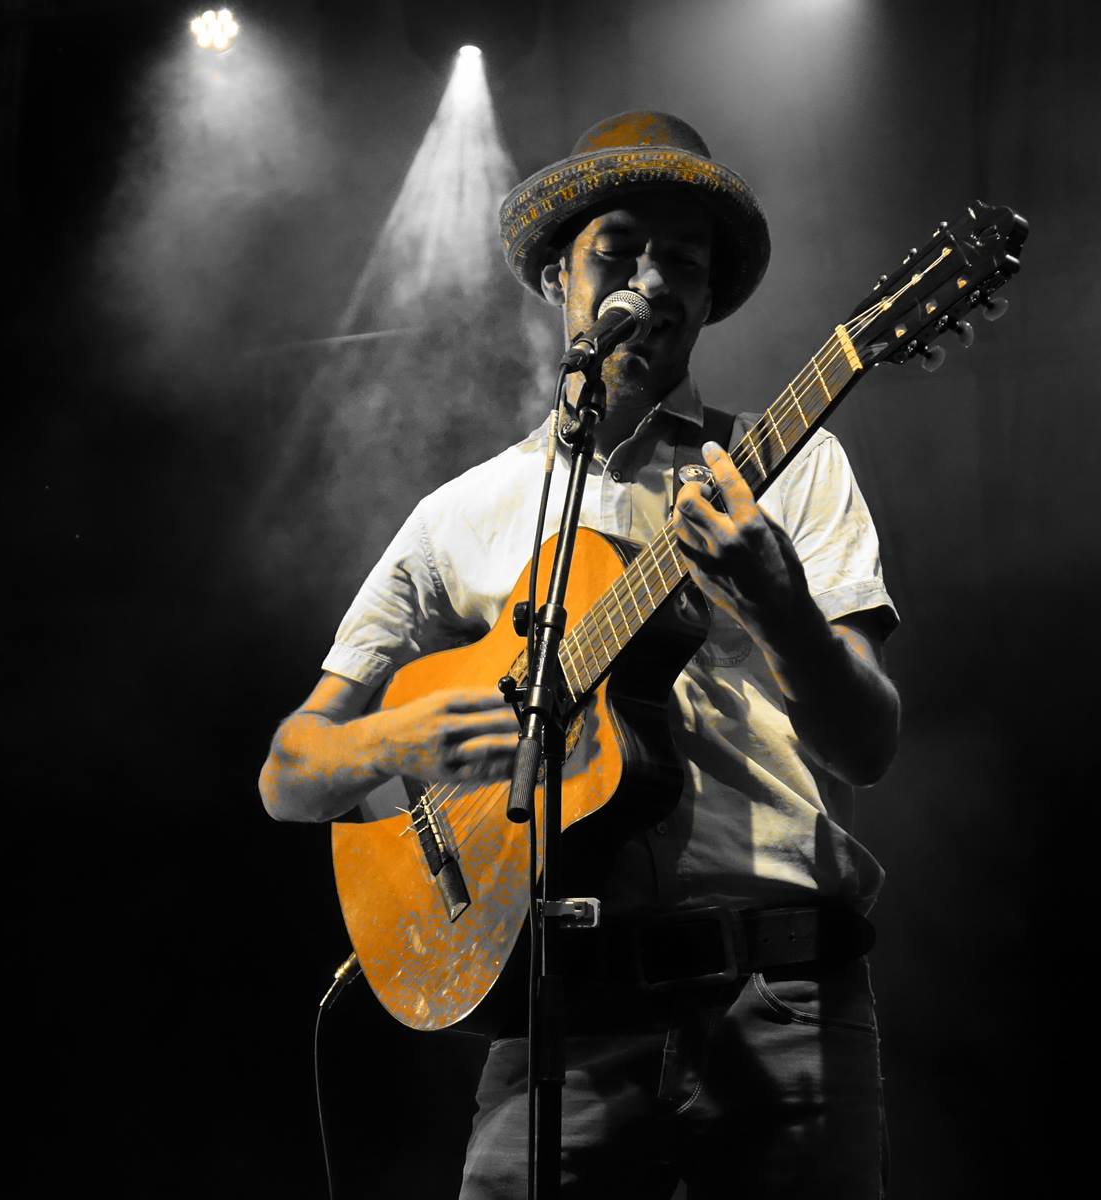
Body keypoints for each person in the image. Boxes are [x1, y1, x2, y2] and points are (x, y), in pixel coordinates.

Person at [260, 111, 901, 1198]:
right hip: (555, 1014)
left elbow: (868, 746)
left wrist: (777, 600)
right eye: (620, 250)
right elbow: (289, 773)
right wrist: (398, 738)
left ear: (708, 297)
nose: (651, 281)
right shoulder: (461, 515)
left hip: (779, 997)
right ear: (561, 273)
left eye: (683, 263)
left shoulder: (788, 465)